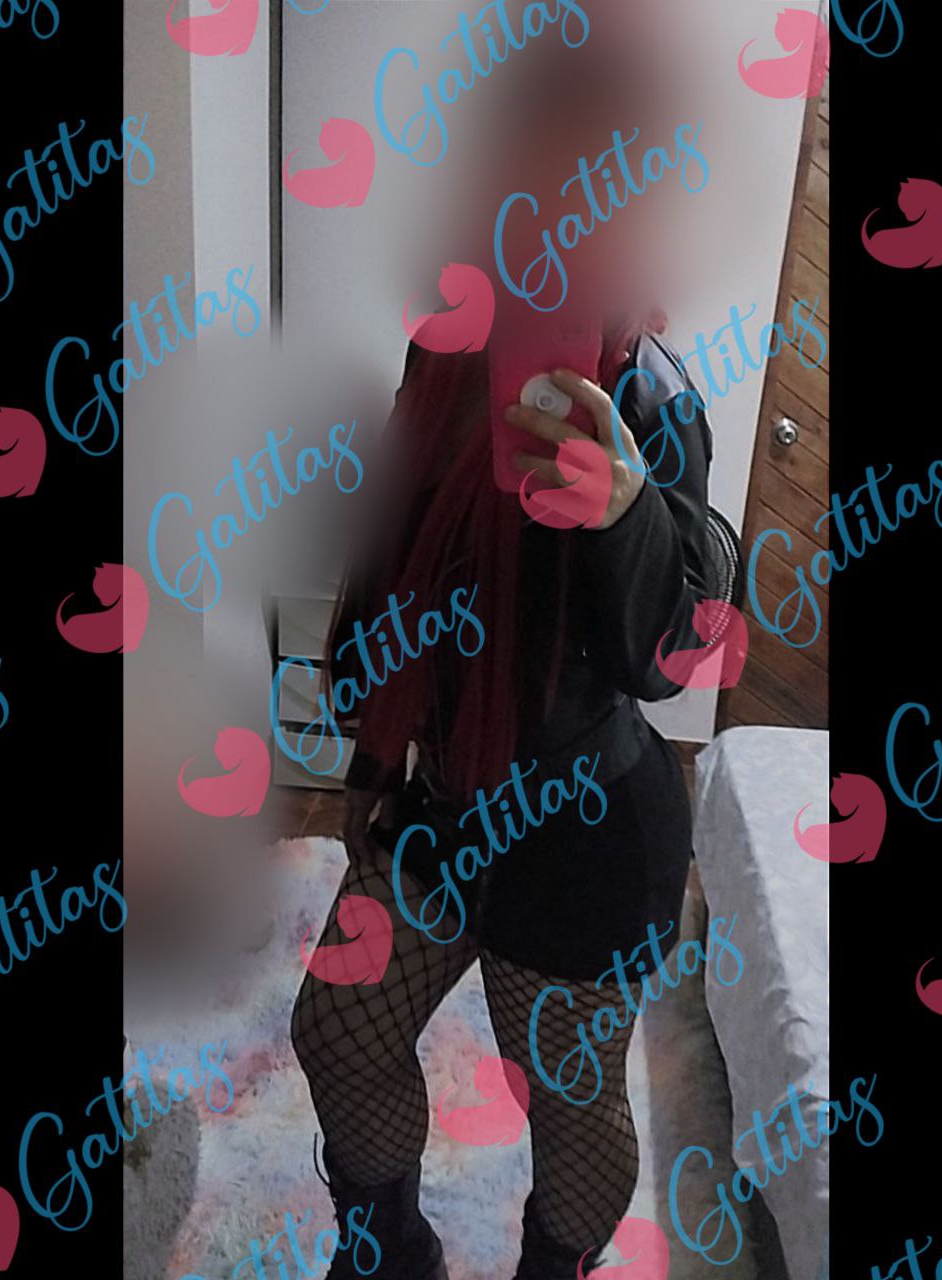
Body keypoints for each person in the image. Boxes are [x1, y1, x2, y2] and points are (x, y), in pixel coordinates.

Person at [290, 307, 720, 1279]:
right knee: (338, 1033)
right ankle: (391, 1258)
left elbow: (668, 658)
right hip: (444, 797)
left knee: (566, 1097)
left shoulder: (652, 391)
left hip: (584, 829)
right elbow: (390, 547)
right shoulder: (441, 349)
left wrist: (627, 514)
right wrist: (374, 758)